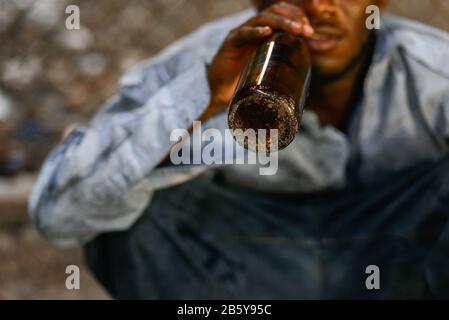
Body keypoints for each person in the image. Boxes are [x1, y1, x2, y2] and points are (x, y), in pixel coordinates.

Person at [29, 0, 449, 299]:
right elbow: (59, 214)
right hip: (242, 281)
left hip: (398, 272)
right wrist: (203, 98)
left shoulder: (434, 70)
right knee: (124, 186)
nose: (318, 7)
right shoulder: (204, 61)